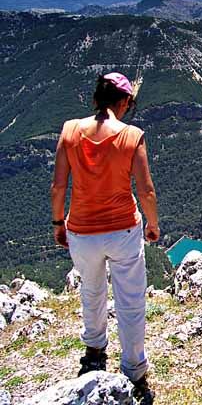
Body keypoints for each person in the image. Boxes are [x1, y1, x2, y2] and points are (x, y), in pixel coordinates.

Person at [50, 72, 159, 404]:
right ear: (123, 102)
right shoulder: (131, 136)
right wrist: (152, 225)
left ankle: (95, 352)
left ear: (96, 99)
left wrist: (59, 223)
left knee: (92, 291)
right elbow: (146, 190)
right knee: (130, 302)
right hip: (124, 229)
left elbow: (58, 187)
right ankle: (134, 373)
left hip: (81, 230)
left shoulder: (70, 131)